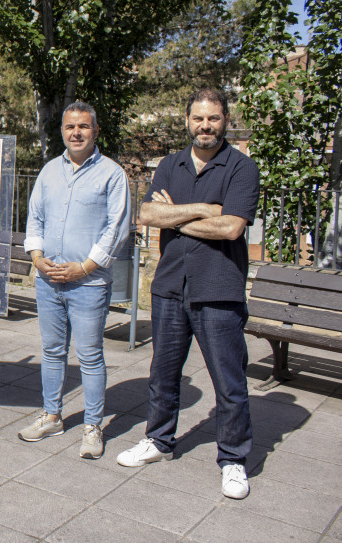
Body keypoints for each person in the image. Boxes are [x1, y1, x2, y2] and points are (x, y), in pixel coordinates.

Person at [116, 89, 259, 500]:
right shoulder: (170, 165)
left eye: (213, 118)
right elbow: (146, 214)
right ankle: (159, 441)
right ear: (187, 120)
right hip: (170, 286)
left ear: (225, 120)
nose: (206, 126)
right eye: (198, 118)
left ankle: (232, 459)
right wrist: (206, 209)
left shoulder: (241, 168)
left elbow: (231, 228)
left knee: (229, 382)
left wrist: (176, 215)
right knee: (163, 373)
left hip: (219, 289)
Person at [19, 101, 132, 460]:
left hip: (89, 283)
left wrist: (84, 267)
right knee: (52, 352)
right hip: (49, 281)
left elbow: (117, 229)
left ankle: (93, 426)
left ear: (95, 131)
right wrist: (37, 259)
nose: (76, 133)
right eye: (70, 127)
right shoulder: (49, 172)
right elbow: (34, 219)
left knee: (89, 356)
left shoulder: (113, 175)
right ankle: (52, 415)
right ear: (62, 131)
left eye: (84, 126)